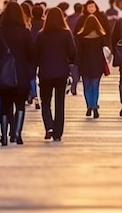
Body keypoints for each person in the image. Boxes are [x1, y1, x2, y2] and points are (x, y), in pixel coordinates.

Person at [0, 2, 34, 145]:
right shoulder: (25, 32)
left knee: (4, 105)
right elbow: (31, 54)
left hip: (4, 75)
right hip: (21, 74)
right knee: (20, 104)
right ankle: (17, 134)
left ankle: (3, 136)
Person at [36, 7, 76, 141]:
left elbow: (35, 54)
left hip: (45, 72)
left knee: (45, 101)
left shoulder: (41, 34)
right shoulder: (66, 34)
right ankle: (58, 132)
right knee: (60, 102)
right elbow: (72, 52)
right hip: (61, 72)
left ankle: (49, 126)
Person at [76, 14, 109, 118]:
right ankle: (94, 106)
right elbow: (105, 49)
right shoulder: (100, 36)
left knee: (86, 86)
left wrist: (77, 64)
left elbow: (79, 52)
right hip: (97, 63)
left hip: (85, 63)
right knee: (95, 86)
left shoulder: (81, 37)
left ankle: (89, 106)